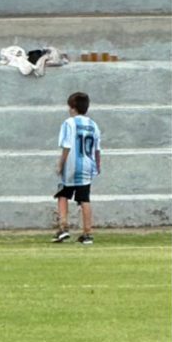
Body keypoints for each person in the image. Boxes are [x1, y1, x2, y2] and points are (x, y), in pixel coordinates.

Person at [52, 92, 101, 245]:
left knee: (63, 194)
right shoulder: (93, 124)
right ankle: (87, 233)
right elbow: (97, 149)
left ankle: (64, 227)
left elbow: (67, 145)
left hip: (72, 164)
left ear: (72, 108)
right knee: (84, 198)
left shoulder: (69, 123)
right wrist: (97, 165)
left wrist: (61, 163)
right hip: (87, 164)